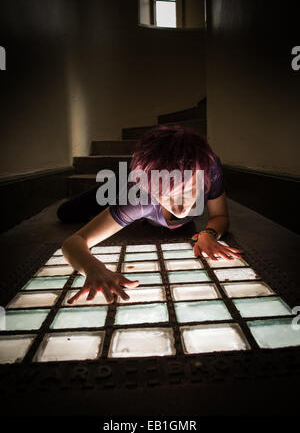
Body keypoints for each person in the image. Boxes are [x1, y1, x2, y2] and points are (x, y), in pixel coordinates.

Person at [58, 125, 243, 304]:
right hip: (126, 183)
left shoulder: (209, 168)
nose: (179, 208)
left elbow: (220, 217)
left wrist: (209, 234)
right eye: (165, 195)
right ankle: (120, 179)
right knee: (66, 213)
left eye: (188, 191)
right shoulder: (139, 198)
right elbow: (74, 242)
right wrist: (93, 268)